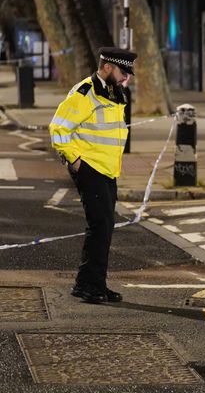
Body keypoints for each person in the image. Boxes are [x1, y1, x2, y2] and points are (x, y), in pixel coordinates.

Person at [49, 47, 135, 304]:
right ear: (107, 67)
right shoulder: (85, 92)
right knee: (99, 227)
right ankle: (87, 285)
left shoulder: (111, 92)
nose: (125, 78)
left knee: (105, 228)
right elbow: (58, 128)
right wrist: (76, 161)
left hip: (108, 170)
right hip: (91, 169)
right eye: (122, 72)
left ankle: (94, 283)